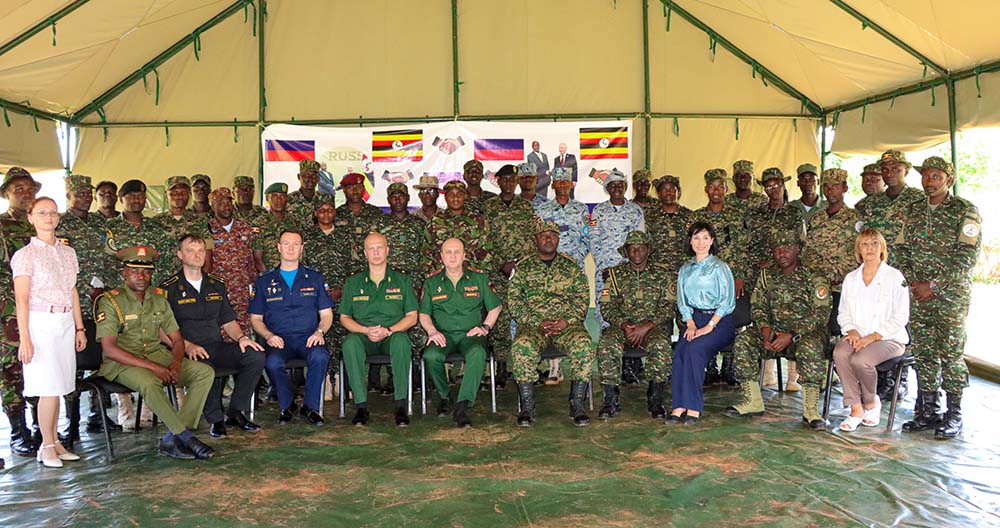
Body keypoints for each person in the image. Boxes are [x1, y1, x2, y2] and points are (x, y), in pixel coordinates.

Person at [95, 246, 216, 460]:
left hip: (155, 354)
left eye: (147, 272)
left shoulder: (159, 299)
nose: (141, 277)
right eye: (134, 271)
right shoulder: (111, 301)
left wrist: (176, 363)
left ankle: (174, 436)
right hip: (123, 362)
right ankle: (186, 438)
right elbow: (110, 349)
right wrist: (156, 368)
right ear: (124, 273)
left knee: (203, 372)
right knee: (150, 382)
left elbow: (177, 340)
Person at [896, 156, 981, 439]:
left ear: (949, 179)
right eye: (925, 176)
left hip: (950, 298)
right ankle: (928, 412)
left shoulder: (964, 210)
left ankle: (954, 414)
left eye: (935, 176)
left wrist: (934, 285)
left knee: (951, 354)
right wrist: (915, 283)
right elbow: (901, 250)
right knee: (925, 353)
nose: (929, 181)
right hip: (918, 296)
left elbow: (967, 256)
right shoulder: (913, 210)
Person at [724, 228, 831, 430]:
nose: (782, 253)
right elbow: (758, 306)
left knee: (810, 346)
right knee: (745, 340)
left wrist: (791, 335)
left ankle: (810, 410)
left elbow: (821, 313)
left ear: (798, 249)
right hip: (773, 332)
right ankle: (753, 400)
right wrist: (764, 329)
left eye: (787, 248)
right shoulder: (767, 274)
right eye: (777, 249)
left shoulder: (814, 274)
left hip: (805, 334)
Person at [161, 235, 266, 438]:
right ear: (180, 254)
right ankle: (216, 420)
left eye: (201, 250)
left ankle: (235, 412)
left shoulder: (216, 284)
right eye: (191, 250)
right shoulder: (169, 288)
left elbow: (228, 322)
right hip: (183, 349)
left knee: (255, 355)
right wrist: (187, 346)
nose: (197, 255)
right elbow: (161, 330)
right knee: (204, 365)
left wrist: (242, 338)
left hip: (215, 345)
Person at [12, 197, 87, 467]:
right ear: (30, 217)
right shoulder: (24, 255)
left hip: (65, 321)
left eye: (53, 212)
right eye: (42, 212)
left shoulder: (68, 252)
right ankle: (46, 446)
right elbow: (21, 299)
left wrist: (79, 327)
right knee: (47, 388)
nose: (48, 217)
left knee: (60, 386)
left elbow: (73, 291)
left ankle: (55, 441)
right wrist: (25, 339)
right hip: (39, 322)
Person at [508, 220, 594, 427]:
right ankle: (527, 406)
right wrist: (538, 321)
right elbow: (514, 302)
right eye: (544, 235)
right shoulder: (523, 267)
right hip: (533, 326)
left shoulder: (571, 266)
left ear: (558, 238)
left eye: (553, 235)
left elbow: (582, 298)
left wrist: (567, 321)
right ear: (535, 239)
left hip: (567, 326)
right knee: (522, 346)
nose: (549, 239)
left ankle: (577, 402)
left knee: (583, 344)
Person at [249, 230, 333, 426]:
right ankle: (287, 405)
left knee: (320, 356)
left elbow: (327, 314)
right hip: (279, 339)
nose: (291, 248)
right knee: (272, 363)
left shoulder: (314, 278)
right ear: (278, 247)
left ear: (302, 248)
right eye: (286, 244)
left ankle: (310, 407)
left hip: (308, 337)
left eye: (296, 244)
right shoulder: (264, 281)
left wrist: (319, 332)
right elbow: (256, 318)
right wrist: (268, 336)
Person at [56, 174, 118, 439]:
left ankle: (98, 416)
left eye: (87, 193)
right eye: (79, 193)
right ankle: (71, 424)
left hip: (98, 303)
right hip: (71, 305)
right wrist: (83, 289)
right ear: (68, 195)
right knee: (72, 364)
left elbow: (110, 259)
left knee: (101, 359)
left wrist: (107, 290)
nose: (85, 197)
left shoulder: (100, 223)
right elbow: (56, 266)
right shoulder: (59, 223)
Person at [419, 238, 502, 428]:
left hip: (470, 335)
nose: (453, 256)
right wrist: (432, 332)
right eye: (448, 252)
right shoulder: (431, 282)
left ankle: (463, 404)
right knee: (431, 355)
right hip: (443, 334)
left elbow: (495, 307)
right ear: (441, 257)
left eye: (457, 252)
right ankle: (444, 395)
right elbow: (424, 313)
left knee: (478, 353)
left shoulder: (479, 278)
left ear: (465, 255)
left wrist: (485, 327)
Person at [339, 232, 418, 427]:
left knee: (402, 341)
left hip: (391, 335)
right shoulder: (353, 282)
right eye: (371, 248)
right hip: (363, 337)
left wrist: (389, 331)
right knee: (349, 343)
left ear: (387, 250)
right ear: (365, 253)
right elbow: (344, 317)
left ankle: (400, 405)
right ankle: (361, 406)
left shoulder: (403, 280)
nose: (376, 252)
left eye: (380, 247)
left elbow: (412, 317)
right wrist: (365, 331)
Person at [834, 229, 908, 432]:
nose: (870, 248)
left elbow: (901, 317)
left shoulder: (895, 277)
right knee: (840, 353)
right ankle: (856, 409)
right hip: (857, 337)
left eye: (874, 243)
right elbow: (843, 312)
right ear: (858, 249)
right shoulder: (851, 278)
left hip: (889, 339)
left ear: (882, 248)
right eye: (865, 244)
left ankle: (871, 403)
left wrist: (872, 337)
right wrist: (852, 331)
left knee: (860, 360)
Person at [596, 231, 675, 420]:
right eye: (632, 248)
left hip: (652, 326)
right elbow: (606, 306)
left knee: (661, 346)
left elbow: (670, 305)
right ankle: (610, 400)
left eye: (641, 248)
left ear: (648, 250)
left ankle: (655, 399)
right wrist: (624, 325)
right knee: (606, 345)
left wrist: (646, 326)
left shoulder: (663, 274)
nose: (636, 252)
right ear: (626, 251)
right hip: (622, 327)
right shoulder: (614, 275)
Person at [667, 222, 736, 425]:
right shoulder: (685, 269)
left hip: (719, 321)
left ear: (712, 241)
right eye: (696, 237)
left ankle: (694, 407)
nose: (701, 242)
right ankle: (679, 405)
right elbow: (682, 300)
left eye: (706, 238)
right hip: (693, 320)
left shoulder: (720, 267)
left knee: (694, 349)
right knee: (681, 351)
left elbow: (727, 301)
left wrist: (709, 325)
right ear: (690, 241)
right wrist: (689, 323)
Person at [745, 168, 806, 391]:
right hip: (760, 276)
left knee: (789, 315)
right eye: (768, 186)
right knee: (762, 316)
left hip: (787, 274)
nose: (773, 189)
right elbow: (747, 244)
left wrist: (780, 263)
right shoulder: (755, 214)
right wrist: (759, 263)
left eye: (777, 184)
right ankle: (768, 372)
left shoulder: (793, 214)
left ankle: (793, 375)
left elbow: (801, 245)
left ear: (783, 185)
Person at [0, 167, 41, 458]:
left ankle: (42, 427)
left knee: (41, 368)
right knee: (12, 371)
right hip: (10, 312)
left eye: (30, 189)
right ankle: (18, 431)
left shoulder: (43, 224)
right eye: (19, 189)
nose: (26, 194)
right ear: (6, 194)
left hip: (42, 309)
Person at [484, 164, 537, 383]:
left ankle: (529, 365)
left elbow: (534, 239)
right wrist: (500, 264)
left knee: (527, 316)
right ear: (498, 181)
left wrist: (519, 264)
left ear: (516, 181)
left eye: (511, 179)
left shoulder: (526, 207)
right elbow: (483, 240)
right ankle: (501, 366)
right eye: (503, 179)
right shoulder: (488, 207)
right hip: (498, 273)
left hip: (522, 273)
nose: (507, 182)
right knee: (500, 320)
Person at [801, 168, 862, 336]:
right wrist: (816, 274)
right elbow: (808, 250)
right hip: (817, 285)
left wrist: (835, 275)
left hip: (841, 287)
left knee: (836, 326)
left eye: (835, 186)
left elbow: (858, 253)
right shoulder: (817, 217)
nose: (830, 191)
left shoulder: (855, 218)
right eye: (827, 186)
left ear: (845, 188)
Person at [590, 169, 645, 330]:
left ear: (625, 187)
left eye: (620, 185)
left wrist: (631, 267)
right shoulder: (598, 211)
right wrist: (602, 264)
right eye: (612, 185)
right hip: (605, 269)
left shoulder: (635, 211)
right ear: (607, 188)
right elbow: (593, 239)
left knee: (630, 305)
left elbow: (639, 241)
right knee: (604, 305)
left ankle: (629, 350)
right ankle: (606, 341)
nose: (617, 188)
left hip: (628, 269)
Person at [207, 187, 264, 336]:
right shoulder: (207, 230)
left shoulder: (245, 228)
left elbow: (255, 259)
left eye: (228, 202)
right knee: (220, 330)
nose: (226, 206)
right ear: (212, 206)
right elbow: (206, 264)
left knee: (244, 329)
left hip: (243, 289)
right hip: (219, 289)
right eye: (220, 203)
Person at [645, 175, 691, 332]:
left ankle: (686, 354)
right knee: (660, 324)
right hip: (658, 277)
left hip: (685, 276)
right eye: (664, 189)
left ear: (679, 192)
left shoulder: (690, 216)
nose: (669, 192)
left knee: (687, 320)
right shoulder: (649, 216)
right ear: (658, 194)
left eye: (673, 189)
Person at [861, 150, 925, 261]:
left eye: (895, 169)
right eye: (885, 170)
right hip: (879, 267)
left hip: (909, 268)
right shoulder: (872, 202)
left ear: (906, 171)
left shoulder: (920, 200)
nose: (889, 174)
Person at [422, 180, 493, 276]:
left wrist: (481, 274)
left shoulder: (479, 221)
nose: (455, 198)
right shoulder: (434, 223)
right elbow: (427, 253)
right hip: (442, 278)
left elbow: (488, 249)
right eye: (451, 194)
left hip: (473, 277)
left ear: (465, 196)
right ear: (445, 197)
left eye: (459, 194)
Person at [154, 176, 214, 275]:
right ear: (166, 195)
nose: (179, 196)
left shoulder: (199, 221)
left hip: (191, 281)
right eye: (174, 193)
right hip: (163, 281)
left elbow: (207, 257)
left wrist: (202, 284)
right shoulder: (156, 222)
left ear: (189, 194)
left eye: (183, 192)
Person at [534, 167, 590, 269]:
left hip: (576, 265)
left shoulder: (582, 209)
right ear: (553, 185)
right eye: (558, 181)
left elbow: (587, 237)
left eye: (566, 181)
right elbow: (538, 237)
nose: (562, 184)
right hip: (550, 265)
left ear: (571, 185)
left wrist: (576, 257)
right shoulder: (541, 209)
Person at [335, 173, 383, 269]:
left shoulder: (376, 213)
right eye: (350, 188)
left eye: (358, 187)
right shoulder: (336, 215)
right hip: (343, 270)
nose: (355, 191)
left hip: (370, 270)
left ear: (364, 189)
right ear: (344, 190)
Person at [254, 182, 302, 270]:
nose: (279, 200)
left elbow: (301, 252)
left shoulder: (296, 222)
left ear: (287, 199)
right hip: (269, 275)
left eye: (282, 196)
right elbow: (258, 258)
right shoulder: (259, 223)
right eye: (274, 196)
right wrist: (269, 278)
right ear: (267, 199)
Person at [288, 160, 326, 225]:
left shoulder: (325, 199)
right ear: (299, 177)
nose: (310, 179)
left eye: (313, 176)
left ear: (318, 178)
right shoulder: (288, 199)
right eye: (306, 176)